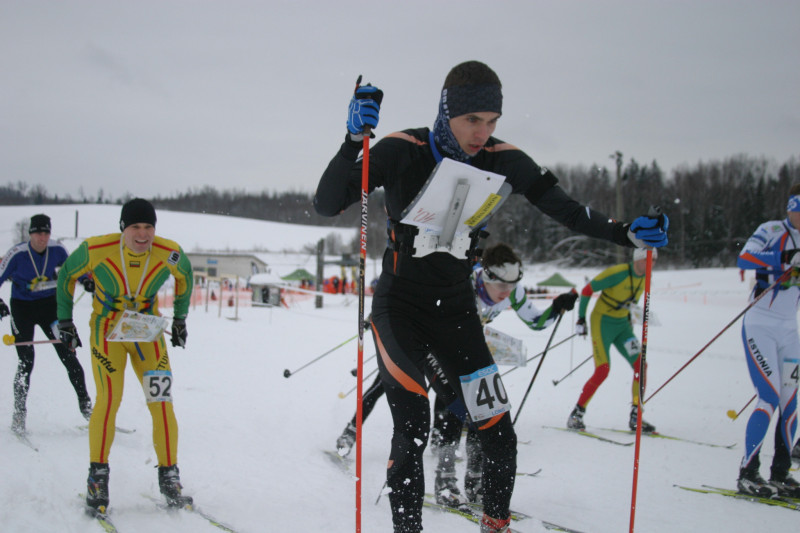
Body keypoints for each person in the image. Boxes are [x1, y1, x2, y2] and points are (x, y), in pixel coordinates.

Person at [314, 60, 668, 533]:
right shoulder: (405, 147)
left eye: (492, 121)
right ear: (446, 113)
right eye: (472, 120)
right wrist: (349, 141)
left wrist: (625, 233)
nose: (483, 133)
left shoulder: (502, 157)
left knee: (498, 430)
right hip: (400, 308)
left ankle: (495, 525)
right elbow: (327, 202)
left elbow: (561, 206)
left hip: (457, 312)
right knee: (414, 424)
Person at [334, 243, 578, 508]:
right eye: (499, 287)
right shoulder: (463, 279)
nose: (504, 294)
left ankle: (473, 480)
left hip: (452, 343)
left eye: (511, 287)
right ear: (485, 276)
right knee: (391, 386)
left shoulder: (512, 290)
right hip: (418, 334)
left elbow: (536, 321)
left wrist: (556, 307)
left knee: (476, 405)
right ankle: (354, 434)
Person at [56, 198, 195, 514]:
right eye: (136, 227)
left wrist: (181, 318)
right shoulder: (95, 249)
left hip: (146, 330)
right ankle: (97, 477)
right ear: (123, 228)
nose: (143, 234)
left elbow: (186, 278)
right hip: (107, 330)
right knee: (109, 399)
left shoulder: (168, 252)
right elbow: (66, 276)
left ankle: (169, 475)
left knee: (162, 403)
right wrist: (64, 320)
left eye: (148, 227)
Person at [734, 184, 800, 498]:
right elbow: (744, 257)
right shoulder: (772, 230)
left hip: (789, 330)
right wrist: (784, 258)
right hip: (760, 323)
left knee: (792, 403)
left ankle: (781, 474)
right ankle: (748, 471)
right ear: (791, 207)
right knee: (769, 397)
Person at [0, 214, 93, 435]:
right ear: (30, 234)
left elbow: (74, 269)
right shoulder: (18, 253)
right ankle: (19, 415)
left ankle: (87, 407)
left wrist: (87, 280)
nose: (42, 238)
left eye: (45, 233)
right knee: (26, 361)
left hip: (50, 308)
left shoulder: (57, 249)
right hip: (22, 309)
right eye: (37, 233)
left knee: (68, 354)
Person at [566, 247, 658, 433]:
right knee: (603, 370)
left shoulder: (646, 278)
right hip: (602, 324)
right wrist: (581, 318)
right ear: (638, 259)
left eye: (655, 260)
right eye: (648, 259)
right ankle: (576, 414)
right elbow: (586, 290)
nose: (651, 264)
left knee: (641, 365)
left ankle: (635, 415)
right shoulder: (617, 273)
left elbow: (632, 302)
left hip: (623, 327)